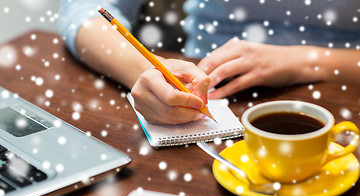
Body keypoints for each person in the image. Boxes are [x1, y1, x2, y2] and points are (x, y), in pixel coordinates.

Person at [58, 0, 360, 124]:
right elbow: (82, 10)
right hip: (206, 84)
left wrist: (310, 60)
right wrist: (146, 70)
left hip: (344, 93)